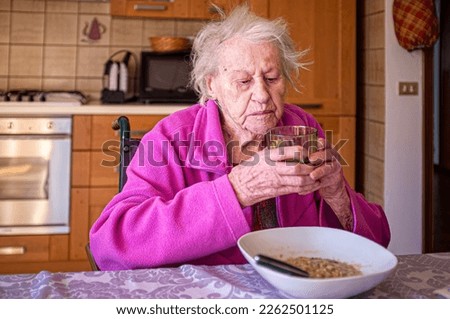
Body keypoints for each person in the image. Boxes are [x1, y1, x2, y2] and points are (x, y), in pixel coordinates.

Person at [89, 5, 390, 270]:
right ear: (213, 86)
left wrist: (339, 197)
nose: (261, 95)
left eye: (272, 78)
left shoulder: (301, 128)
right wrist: (238, 190)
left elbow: (376, 242)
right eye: (243, 81)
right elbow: (110, 246)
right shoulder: (170, 138)